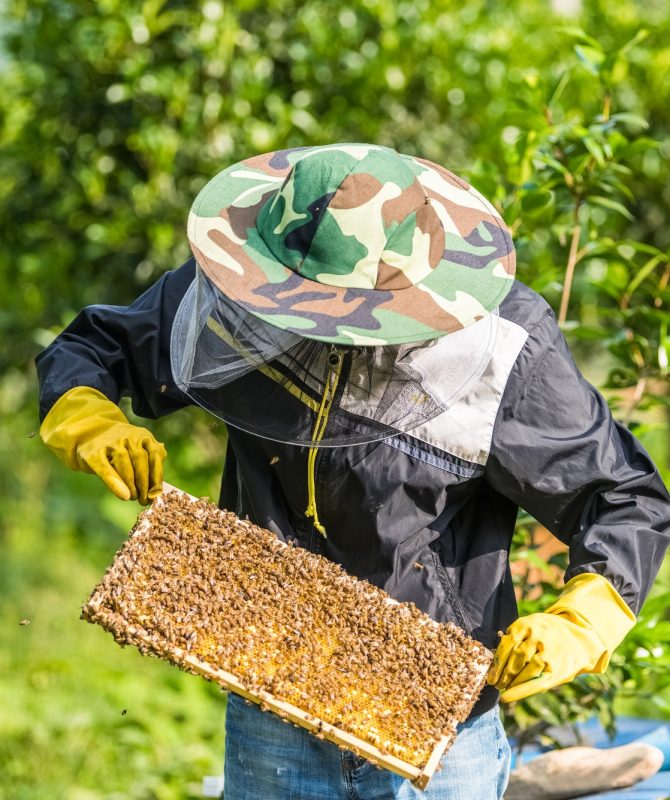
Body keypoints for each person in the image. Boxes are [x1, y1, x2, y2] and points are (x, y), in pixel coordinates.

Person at [36, 143, 670, 800]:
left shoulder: (506, 349)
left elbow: (624, 497)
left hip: (438, 723)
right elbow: (97, 347)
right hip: (272, 697)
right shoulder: (237, 294)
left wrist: (583, 617)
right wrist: (86, 414)